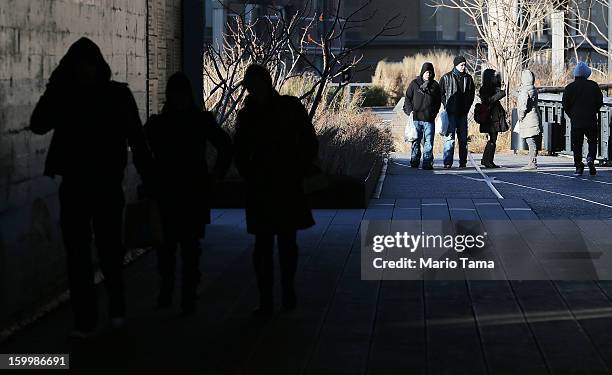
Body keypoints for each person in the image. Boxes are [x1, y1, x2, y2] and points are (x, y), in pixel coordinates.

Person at [29, 37, 153, 337]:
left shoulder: (72, 95)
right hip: (102, 184)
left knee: (85, 253)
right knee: (103, 251)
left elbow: (38, 124)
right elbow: (136, 139)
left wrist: (57, 86)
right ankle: (113, 312)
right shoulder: (114, 95)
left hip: (81, 185)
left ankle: (91, 319)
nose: (84, 71)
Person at [144, 73, 232, 315]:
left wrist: (150, 181)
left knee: (168, 247)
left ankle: (167, 292)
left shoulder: (158, 124)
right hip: (194, 190)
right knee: (189, 247)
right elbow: (225, 146)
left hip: (167, 191)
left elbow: (143, 152)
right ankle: (187, 296)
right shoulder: (201, 120)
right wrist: (216, 176)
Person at [234, 64, 318, 316]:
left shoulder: (247, 115)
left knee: (264, 244)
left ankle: (268, 299)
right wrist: (301, 168)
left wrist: (248, 173)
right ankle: (285, 291)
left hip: (263, 185)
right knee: (285, 241)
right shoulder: (289, 108)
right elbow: (309, 141)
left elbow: (239, 151)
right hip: (286, 183)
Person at [562, 61, 604, 176]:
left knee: (577, 144)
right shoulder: (593, 86)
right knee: (592, 141)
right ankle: (590, 158)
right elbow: (599, 102)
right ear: (587, 74)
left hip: (576, 121)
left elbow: (565, 105)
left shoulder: (570, 88)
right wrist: (593, 111)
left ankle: (578, 166)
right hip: (590, 119)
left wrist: (572, 115)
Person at [403, 62, 442, 170]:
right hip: (416, 118)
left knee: (428, 142)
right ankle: (415, 160)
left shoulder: (435, 85)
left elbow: (438, 101)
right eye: (426, 72)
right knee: (415, 141)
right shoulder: (414, 84)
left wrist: (434, 113)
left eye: (430, 72)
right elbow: (407, 98)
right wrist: (410, 112)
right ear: (422, 72)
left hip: (429, 119)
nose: (428, 74)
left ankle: (427, 162)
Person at [440, 56, 476, 168]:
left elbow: (471, 94)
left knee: (463, 140)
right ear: (456, 65)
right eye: (461, 65)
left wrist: (467, 107)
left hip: (462, 114)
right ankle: (447, 162)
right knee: (449, 139)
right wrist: (446, 105)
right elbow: (441, 93)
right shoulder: (446, 78)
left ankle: (463, 162)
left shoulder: (468, 78)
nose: (463, 67)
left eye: (464, 65)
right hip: (450, 113)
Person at [478, 68, 508, 168]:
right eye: (494, 76)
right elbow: (489, 100)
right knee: (492, 138)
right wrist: (501, 93)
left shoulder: (493, 87)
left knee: (493, 138)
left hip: (493, 117)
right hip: (489, 118)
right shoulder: (485, 89)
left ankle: (488, 160)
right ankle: (487, 160)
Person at [516, 69, 541, 170]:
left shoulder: (524, 91)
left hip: (528, 119)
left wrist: (520, 117)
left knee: (530, 142)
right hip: (535, 116)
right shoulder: (533, 89)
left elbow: (523, 106)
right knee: (533, 141)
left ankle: (532, 162)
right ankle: (532, 161)